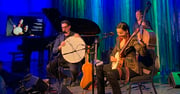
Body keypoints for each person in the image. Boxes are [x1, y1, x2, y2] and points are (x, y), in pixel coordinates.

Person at [96, 22, 155, 94]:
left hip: (131, 68)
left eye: (121, 33)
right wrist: (111, 57)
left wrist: (140, 42)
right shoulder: (118, 40)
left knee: (111, 73)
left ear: (126, 31)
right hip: (119, 65)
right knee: (99, 68)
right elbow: (114, 52)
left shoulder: (133, 40)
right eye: (118, 33)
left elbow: (142, 53)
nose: (119, 35)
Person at [46, 20, 81, 87]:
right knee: (49, 67)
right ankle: (65, 77)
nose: (64, 29)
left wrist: (79, 39)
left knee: (74, 70)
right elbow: (54, 51)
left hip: (72, 58)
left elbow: (81, 47)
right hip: (61, 57)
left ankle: (74, 79)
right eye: (62, 27)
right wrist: (59, 47)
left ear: (69, 27)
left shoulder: (75, 35)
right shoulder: (60, 37)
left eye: (65, 27)